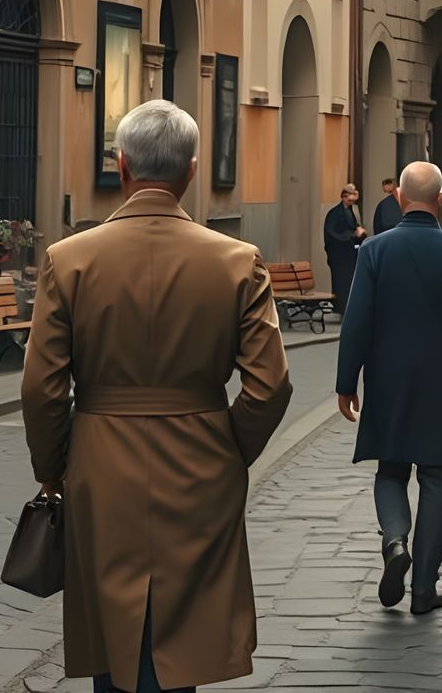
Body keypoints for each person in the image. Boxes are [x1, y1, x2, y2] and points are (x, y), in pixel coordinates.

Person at [21, 100, 293, 693]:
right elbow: (270, 385)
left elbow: (42, 388)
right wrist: (228, 445)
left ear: (121, 166)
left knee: (112, 628)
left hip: (99, 460)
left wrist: (53, 468)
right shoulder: (236, 261)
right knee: (181, 635)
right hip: (200, 458)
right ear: (191, 171)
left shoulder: (68, 260)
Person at [335, 162, 442, 616]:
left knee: (390, 470)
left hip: (388, 379)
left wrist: (347, 382)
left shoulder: (374, 252)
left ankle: (393, 539)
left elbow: (357, 322)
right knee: (436, 479)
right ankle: (423, 590)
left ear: (401, 199)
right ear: (440, 199)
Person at [324, 184, 366, 313]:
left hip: (347, 254)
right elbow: (332, 232)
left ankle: (345, 308)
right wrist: (353, 234)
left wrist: (359, 232)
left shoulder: (349, 210)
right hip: (340, 256)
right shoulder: (335, 213)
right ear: (344, 197)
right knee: (342, 282)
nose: (353, 198)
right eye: (350, 195)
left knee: (347, 282)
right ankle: (343, 308)